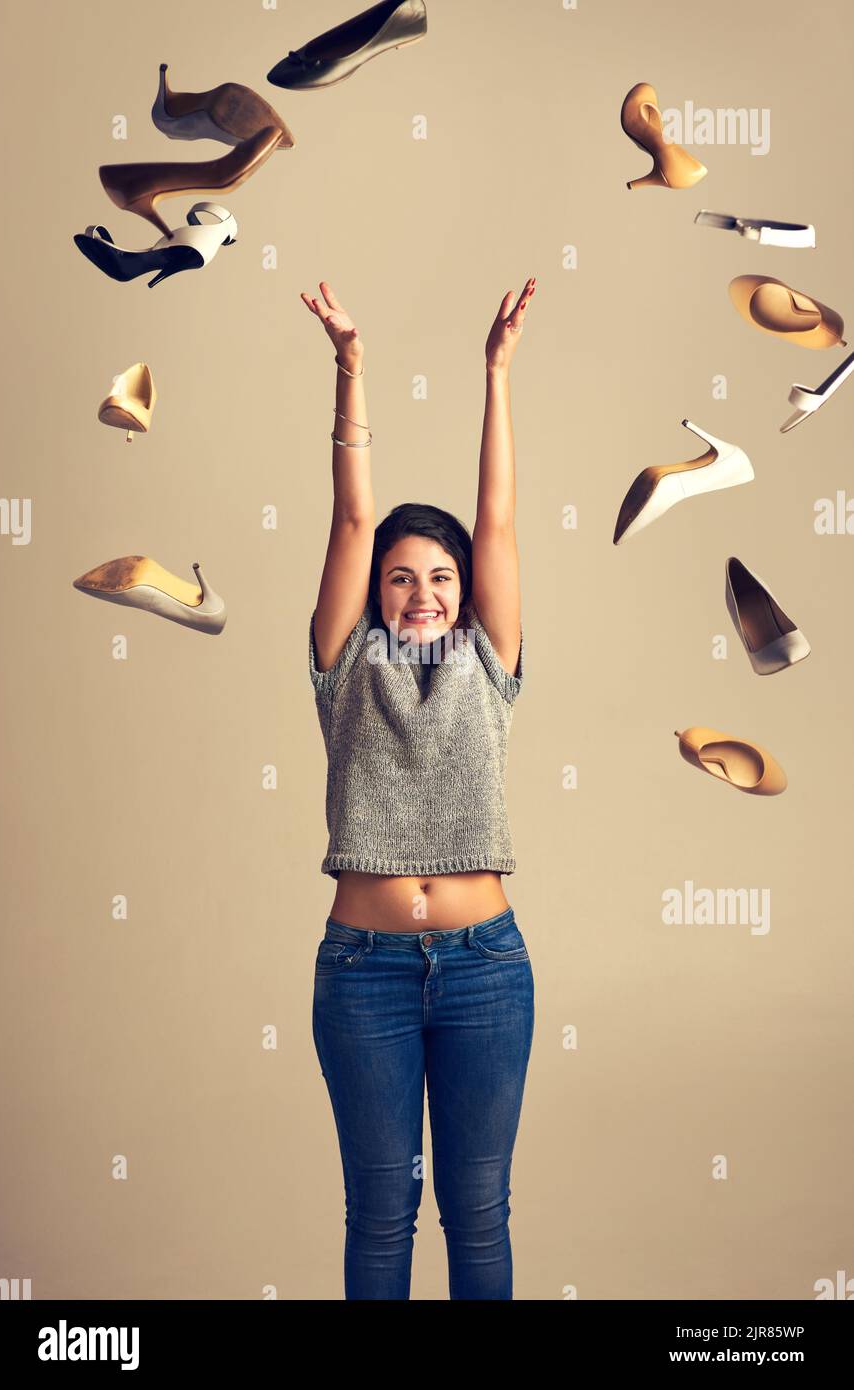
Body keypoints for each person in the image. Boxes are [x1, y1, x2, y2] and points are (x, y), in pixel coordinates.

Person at [303, 275, 536, 1299]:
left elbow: (496, 519)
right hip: (364, 973)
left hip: (486, 968)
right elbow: (353, 517)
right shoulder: (343, 665)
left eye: (439, 576)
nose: (423, 592)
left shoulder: (490, 663)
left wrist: (496, 373)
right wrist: (350, 368)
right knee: (380, 1216)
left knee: (477, 1219)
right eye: (401, 577)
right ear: (374, 593)